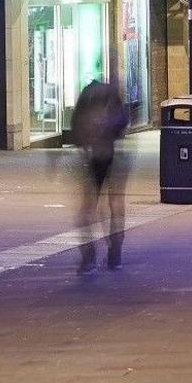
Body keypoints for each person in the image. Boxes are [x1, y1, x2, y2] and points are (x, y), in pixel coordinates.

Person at [72, 77, 129, 272]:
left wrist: (83, 148)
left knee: (88, 208)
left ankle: (89, 258)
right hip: (112, 155)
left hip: (93, 157)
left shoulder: (86, 97)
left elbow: (75, 126)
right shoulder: (112, 96)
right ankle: (115, 254)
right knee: (115, 206)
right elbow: (123, 123)